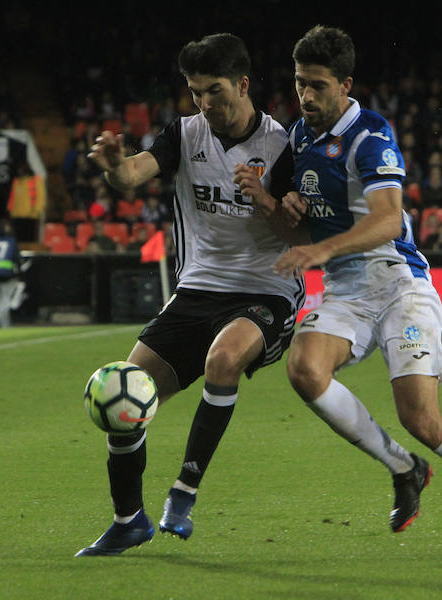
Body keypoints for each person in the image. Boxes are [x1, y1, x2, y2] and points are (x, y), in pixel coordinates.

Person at [274, 25, 442, 560]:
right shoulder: (299, 138)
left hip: (400, 286)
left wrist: (321, 250)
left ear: (345, 85)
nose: (306, 96)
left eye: (319, 86)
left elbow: (389, 219)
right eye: (300, 83)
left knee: (420, 418)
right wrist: (272, 203)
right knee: (304, 370)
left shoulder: (370, 136)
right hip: (348, 290)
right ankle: (403, 467)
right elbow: (300, 229)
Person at [75, 33, 305, 557]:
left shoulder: (285, 145)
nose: (204, 103)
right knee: (123, 394)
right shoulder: (184, 133)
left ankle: (184, 492)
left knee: (223, 360)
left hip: (267, 292)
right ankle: (128, 519)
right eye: (195, 91)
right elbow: (133, 174)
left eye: (214, 90)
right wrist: (114, 163)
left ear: (243, 84)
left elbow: (301, 238)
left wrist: (266, 199)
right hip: (197, 289)